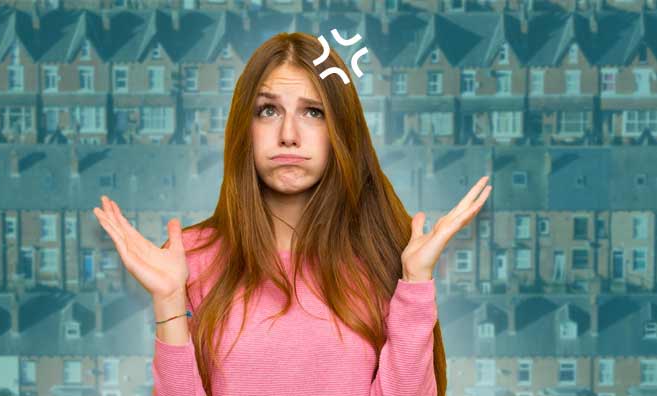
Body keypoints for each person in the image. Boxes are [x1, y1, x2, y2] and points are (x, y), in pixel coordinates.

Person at [93, 31, 492, 396]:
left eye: (313, 112)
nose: (288, 133)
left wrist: (416, 283)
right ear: (243, 128)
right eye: (268, 110)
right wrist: (168, 301)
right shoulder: (189, 259)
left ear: (342, 129)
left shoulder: (382, 258)